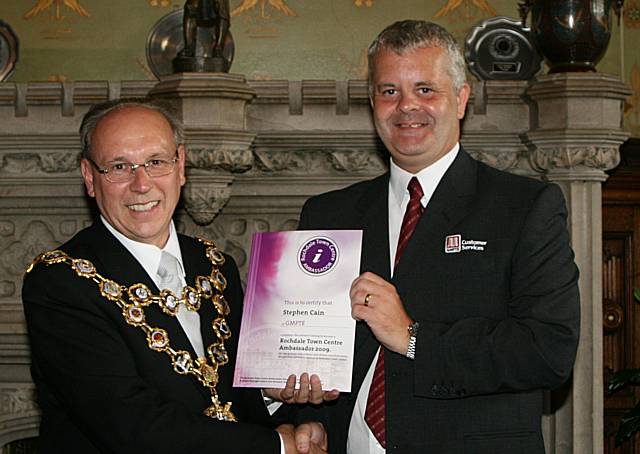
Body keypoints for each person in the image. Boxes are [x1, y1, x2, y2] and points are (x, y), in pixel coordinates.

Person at [297, 20, 580, 453]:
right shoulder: (328, 213)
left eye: (426, 89)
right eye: (390, 91)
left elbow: (547, 352)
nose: (407, 106)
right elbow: (313, 347)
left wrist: (413, 337)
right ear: (372, 102)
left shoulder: (525, 207)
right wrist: (307, 414)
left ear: (462, 99)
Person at [22, 98, 328, 454]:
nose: (141, 184)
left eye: (156, 162)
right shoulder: (60, 281)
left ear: (181, 166)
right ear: (90, 178)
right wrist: (276, 446)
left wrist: (269, 392)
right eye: (119, 166)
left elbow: (223, 398)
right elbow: (130, 423)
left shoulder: (216, 266)